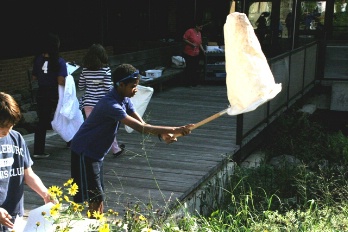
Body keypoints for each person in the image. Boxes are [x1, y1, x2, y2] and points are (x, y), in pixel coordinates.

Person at [70, 64, 194, 216]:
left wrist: (162, 135)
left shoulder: (124, 99)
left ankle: (97, 224)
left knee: (97, 195)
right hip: (84, 151)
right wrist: (176, 129)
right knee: (94, 195)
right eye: (133, 86)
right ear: (120, 85)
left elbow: (144, 125)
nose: (136, 89)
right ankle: (93, 225)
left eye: (137, 85)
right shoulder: (111, 104)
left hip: (96, 154)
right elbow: (141, 129)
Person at [0, 92, 53, 231]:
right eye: (1, 127)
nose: (6, 130)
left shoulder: (16, 138)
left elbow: (28, 174)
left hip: (14, 215)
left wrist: (45, 194)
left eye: (10, 125)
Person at [78, 44, 124, 156]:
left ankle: (87, 149)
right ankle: (115, 149)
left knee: (91, 127)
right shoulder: (105, 70)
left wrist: (91, 84)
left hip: (88, 103)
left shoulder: (85, 70)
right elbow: (108, 88)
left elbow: (80, 86)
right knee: (108, 127)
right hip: (102, 104)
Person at [32, 33, 68, 159]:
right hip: (55, 93)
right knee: (63, 116)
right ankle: (70, 140)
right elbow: (60, 81)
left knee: (42, 121)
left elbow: (34, 77)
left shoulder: (38, 59)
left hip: (42, 92)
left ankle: (38, 149)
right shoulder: (59, 61)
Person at [182, 20, 206, 87]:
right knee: (189, 68)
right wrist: (191, 44)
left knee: (195, 68)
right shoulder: (190, 31)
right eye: (200, 27)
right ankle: (187, 83)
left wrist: (203, 50)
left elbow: (200, 43)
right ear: (196, 26)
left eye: (202, 27)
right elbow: (184, 38)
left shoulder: (199, 33)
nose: (201, 29)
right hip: (189, 52)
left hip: (196, 52)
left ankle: (194, 83)